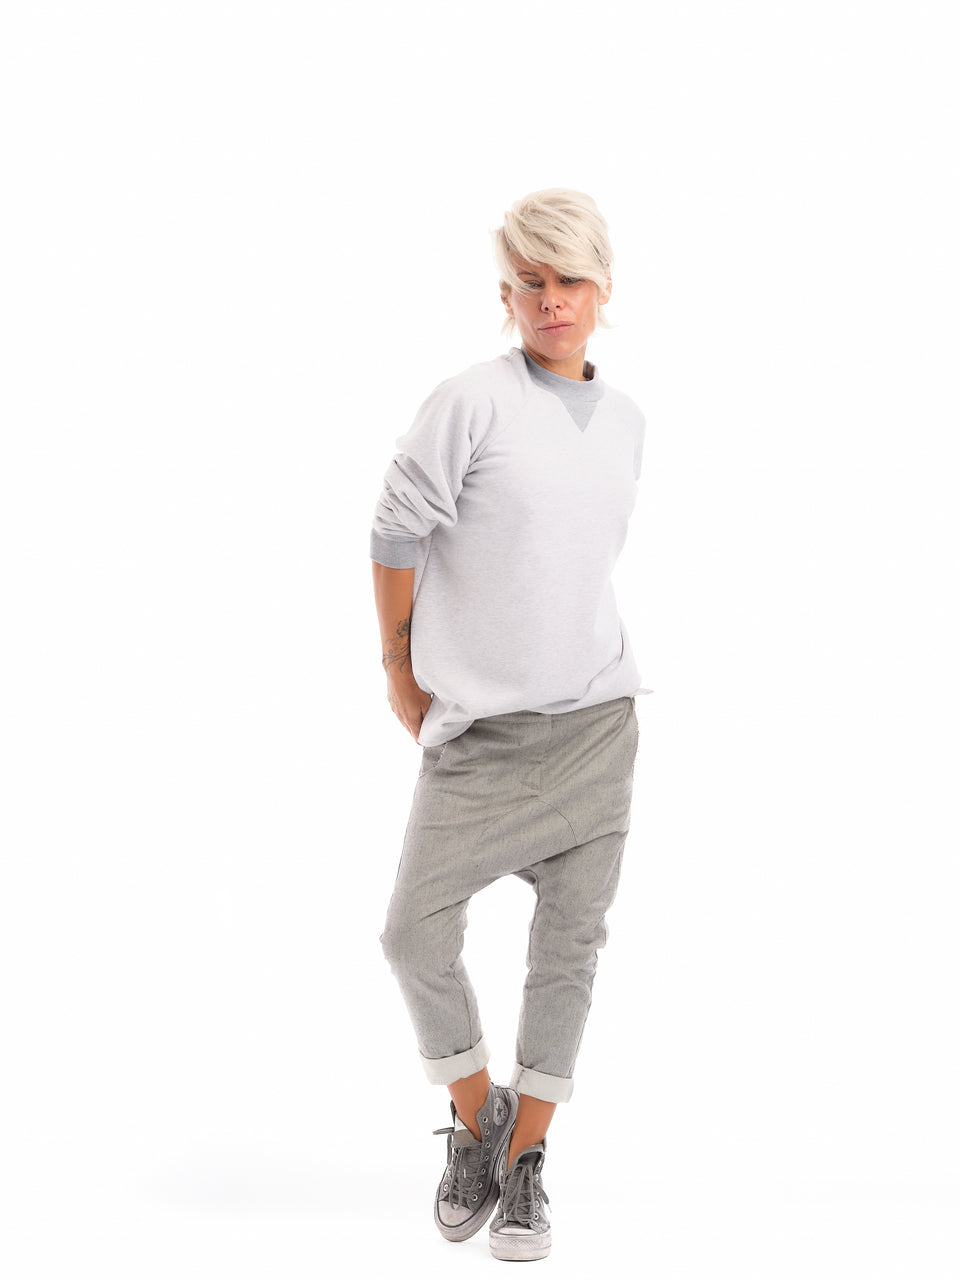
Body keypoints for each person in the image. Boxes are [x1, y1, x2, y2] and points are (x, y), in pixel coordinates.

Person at [370, 188, 650, 1263]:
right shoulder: (470, 402)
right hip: (480, 739)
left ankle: (527, 1159)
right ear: (506, 294)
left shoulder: (627, 422)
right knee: (412, 935)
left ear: (604, 289)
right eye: (530, 281)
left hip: (596, 727)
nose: (551, 299)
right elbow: (395, 526)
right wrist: (399, 669)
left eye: (570, 278)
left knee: (567, 953)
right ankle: (480, 1116)